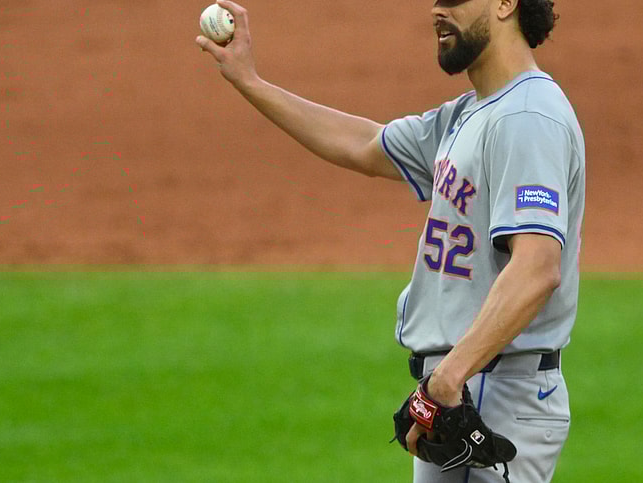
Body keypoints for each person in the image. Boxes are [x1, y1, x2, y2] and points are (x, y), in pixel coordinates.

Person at [197, 0, 585, 481]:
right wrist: (250, 81)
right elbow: (363, 143)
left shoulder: (528, 116)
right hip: (459, 385)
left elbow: (537, 268)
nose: (437, 10)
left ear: (506, 3)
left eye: (454, 0)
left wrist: (448, 377)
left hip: (495, 388)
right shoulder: (469, 114)